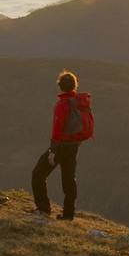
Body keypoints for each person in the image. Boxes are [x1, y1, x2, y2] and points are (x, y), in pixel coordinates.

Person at [32, 70, 92, 220]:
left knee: (38, 174)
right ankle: (68, 214)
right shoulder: (80, 102)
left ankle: (43, 209)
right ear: (74, 86)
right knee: (69, 179)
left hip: (61, 146)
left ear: (60, 86)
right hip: (74, 145)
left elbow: (57, 129)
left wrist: (53, 150)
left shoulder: (62, 105)